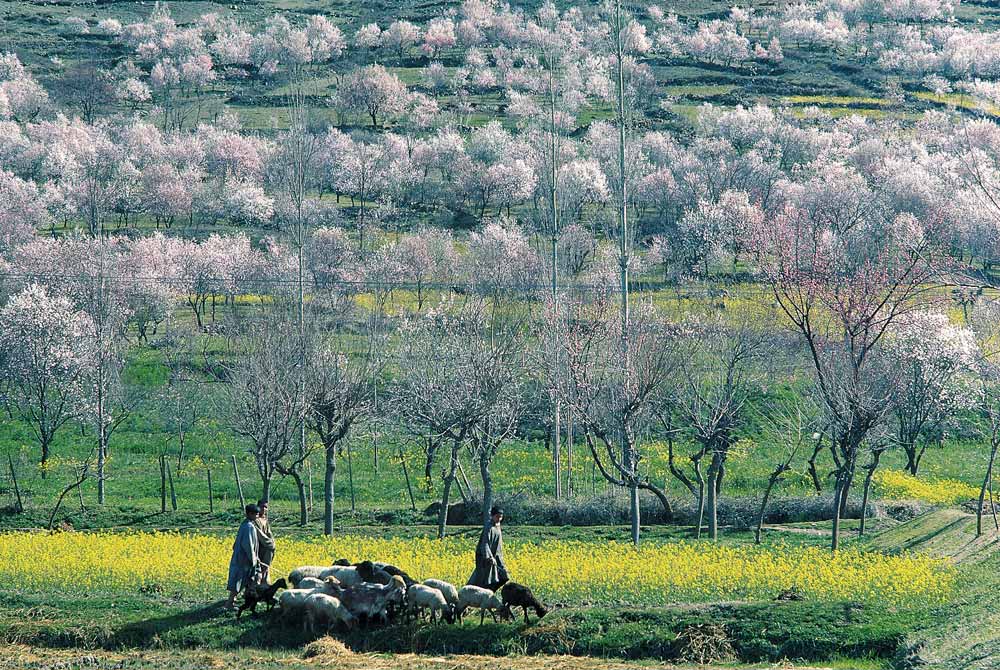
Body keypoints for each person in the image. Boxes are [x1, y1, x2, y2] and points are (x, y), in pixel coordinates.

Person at [226, 503, 261, 609]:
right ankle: (229, 603)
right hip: (244, 560)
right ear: (250, 514)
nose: (257, 516)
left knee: (249, 581)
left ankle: (249, 600)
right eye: (256, 514)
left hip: (243, 559)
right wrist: (254, 559)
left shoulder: (245, 524)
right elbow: (248, 545)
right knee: (239, 581)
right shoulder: (249, 527)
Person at [467, 506, 509, 591]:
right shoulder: (488, 527)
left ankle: (490, 592)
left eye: (501, 517)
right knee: (483, 579)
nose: (499, 519)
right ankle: (471, 593)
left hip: (497, 555)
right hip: (485, 557)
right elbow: (485, 543)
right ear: (492, 516)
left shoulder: (498, 525)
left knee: (504, 576)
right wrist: (489, 557)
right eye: (497, 516)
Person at [253, 498, 275, 585]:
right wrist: (270, 544)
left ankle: (264, 585)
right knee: (258, 568)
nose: (264, 509)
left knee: (265, 568)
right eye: (262, 507)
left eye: (266, 507)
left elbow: (269, 533)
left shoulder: (265, 520)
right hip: (259, 547)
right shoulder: (255, 520)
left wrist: (272, 541)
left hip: (266, 548)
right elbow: (260, 535)